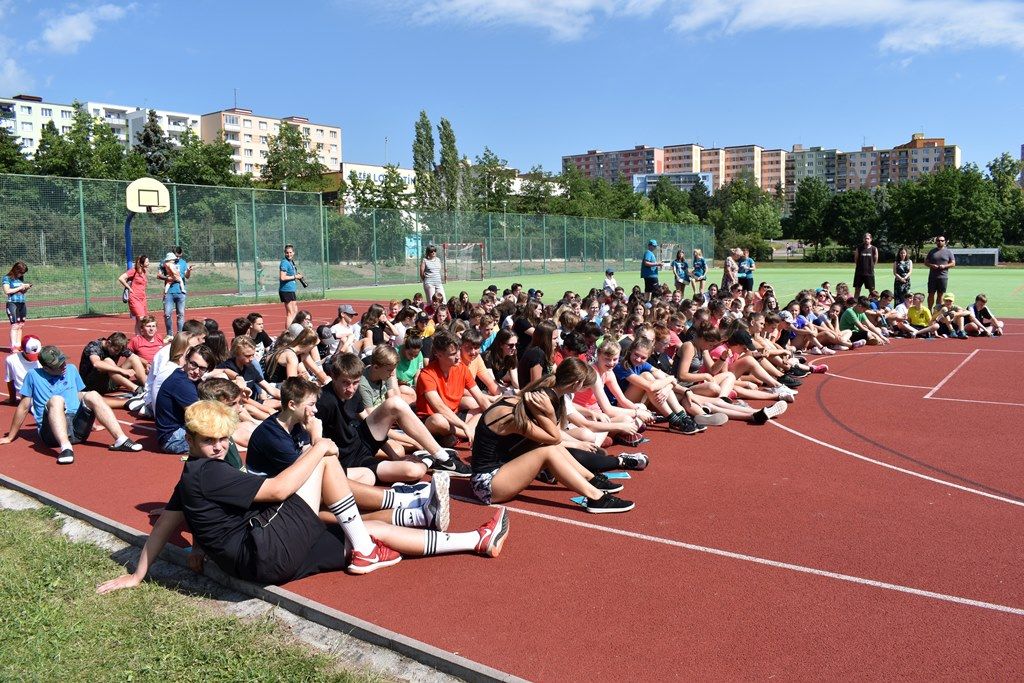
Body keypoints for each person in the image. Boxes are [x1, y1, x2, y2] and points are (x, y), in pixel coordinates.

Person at [96, 400, 509, 593]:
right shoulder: (207, 472)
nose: (220, 447)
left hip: (265, 562)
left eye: (223, 439)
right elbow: (277, 489)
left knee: (366, 529)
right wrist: (316, 444)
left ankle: (475, 541)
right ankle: (373, 540)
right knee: (326, 458)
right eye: (209, 441)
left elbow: (168, 522)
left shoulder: (192, 474)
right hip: (263, 549)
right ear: (191, 439)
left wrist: (139, 572)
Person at [470, 358, 634, 514]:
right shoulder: (512, 416)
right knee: (547, 450)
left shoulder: (520, 403)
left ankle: (591, 480)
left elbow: (552, 439)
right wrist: (547, 412)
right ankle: (596, 497)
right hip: (486, 485)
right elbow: (555, 437)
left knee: (548, 446)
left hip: (502, 470)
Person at [0, 345, 142, 464]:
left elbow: (80, 396)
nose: (63, 366)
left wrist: (94, 421)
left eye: (63, 362)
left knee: (92, 394)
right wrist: (10, 436)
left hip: (77, 429)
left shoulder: (71, 369)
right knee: (56, 399)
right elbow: (24, 407)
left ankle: (121, 440)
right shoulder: (33, 375)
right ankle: (66, 448)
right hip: (52, 435)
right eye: (58, 365)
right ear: (46, 368)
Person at [415, 331, 489, 450]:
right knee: (439, 421)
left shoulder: (462, 369)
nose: (458, 357)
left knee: (482, 409)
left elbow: (481, 398)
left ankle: (457, 434)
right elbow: (440, 408)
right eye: (453, 354)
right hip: (432, 420)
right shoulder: (427, 375)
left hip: (454, 418)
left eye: (458, 351)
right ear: (439, 354)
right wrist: (465, 427)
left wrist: (498, 418)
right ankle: (467, 433)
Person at [155, 344, 218, 454]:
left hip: (178, 431)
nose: (196, 371)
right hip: (173, 438)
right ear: (187, 360)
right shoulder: (182, 383)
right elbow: (199, 416)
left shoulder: (184, 375)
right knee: (226, 437)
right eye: (193, 364)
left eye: (202, 368)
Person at [79, 332, 147, 404]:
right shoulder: (94, 346)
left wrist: (147, 364)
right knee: (108, 360)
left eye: (119, 351)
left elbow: (133, 356)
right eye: (116, 350)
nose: (117, 353)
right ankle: (136, 389)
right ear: (108, 342)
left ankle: (147, 387)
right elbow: (96, 363)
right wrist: (122, 370)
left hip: (110, 381)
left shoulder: (118, 347)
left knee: (134, 358)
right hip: (91, 385)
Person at [118, 254, 150, 335]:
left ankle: (138, 336)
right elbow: (121, 278)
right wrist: (129, 288)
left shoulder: (144, 272)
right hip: (134, 297)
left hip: (142, 298)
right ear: (142, 264)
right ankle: (143, 335)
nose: (149, 263)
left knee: (139, 319)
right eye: (147, 261)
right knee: (142, 318)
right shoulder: (133, 271)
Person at [3, 260, 31, 351]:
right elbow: (7, 291)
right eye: (21, 273)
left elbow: (21, 292)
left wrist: (25, 288)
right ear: (16, 270)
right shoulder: (7, 278)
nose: (21, 275)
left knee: (20, 325)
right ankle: (13, 346)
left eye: (23, 273)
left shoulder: (20, 279)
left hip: (22, 303)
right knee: (14, 325)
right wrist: (20, 287)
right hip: (12, 304)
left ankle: (18, 345)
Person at [159, 251, 188, 336]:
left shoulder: (183, 263)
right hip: (169, 293)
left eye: (179, 254)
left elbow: (186, 276)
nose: (177, 257)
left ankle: (180, 334)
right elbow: (159, 275)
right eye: (176, 255)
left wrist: (188, 271)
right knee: (167, 314)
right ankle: (169, 334)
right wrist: (168, 277)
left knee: (181, 315)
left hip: (180, 293)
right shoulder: (163, 264)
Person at [5, 334, 41, 405]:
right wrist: (12, 399)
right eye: (30, 354)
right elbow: (10, 380)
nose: (34, 358)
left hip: (43, 390)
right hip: (27, 395)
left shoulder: (43, 356)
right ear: (22, 349)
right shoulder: (11, 360)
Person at [925, 235, 955, 309]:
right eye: (938, 240)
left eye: (942, 241)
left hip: (943, 277)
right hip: (932, 277)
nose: (940, 242)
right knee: (931, 294)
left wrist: (944, 266)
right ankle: (929, 310)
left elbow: (953, 263)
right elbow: (926, 262)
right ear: (936, 242)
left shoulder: (948, 252)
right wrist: (932, 265)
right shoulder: (932, 251)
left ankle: (937, 311)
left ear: (945, 242)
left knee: (940, 295)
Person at [279, 244, 303, 323]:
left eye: (290, 252)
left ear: (293, 253)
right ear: (284, 253)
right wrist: (295, 276)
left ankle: (294, 330)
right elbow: (282, 277)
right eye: (287, 253)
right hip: (286, 290)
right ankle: (288, 332)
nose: (289, 254)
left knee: (295, 311)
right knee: (290, 313)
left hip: (291, 289)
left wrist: (298, 276)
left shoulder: (291, 262)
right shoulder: (284, 263)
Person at [853, 233, 878, 298]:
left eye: (868, 238)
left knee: (872, 291)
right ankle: (855, 303)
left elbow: (875, 259)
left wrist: (871, 267)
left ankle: (873, 304)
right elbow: (856, 259)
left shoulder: (874, 249)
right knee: (857, 290)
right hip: (859, 273)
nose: (866, 240)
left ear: (871, 239)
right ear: (863, 239)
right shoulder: (859, 248)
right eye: (865, 238)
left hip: (869, 273)